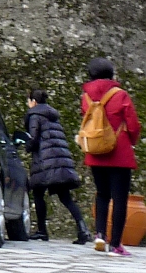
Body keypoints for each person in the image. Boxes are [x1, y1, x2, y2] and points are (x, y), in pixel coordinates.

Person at [80, 57, 141, 255]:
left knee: (102, 194)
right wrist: (130, 140)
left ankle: (99, 234)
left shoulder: (86, 97)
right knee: (120, 198)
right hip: (119, 152)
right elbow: (132, 124)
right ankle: (115, 244)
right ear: (111, 73)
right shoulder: (120, 94)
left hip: (96, 151)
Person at [22, 88, 89, 244]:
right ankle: (83, 229)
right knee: (65, 197)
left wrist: (25, 146)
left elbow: (33, 138)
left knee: (38, 193)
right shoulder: (52, 116)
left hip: (45, 161)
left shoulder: (34, 115)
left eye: (28, 100)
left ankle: (41, 231)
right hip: (59, 160)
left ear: (33, 101)